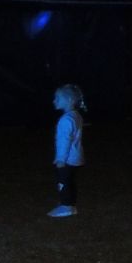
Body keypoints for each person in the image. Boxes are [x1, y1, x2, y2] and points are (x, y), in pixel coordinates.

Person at [48, 84, 86, 217]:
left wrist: (61, 159)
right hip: (75, 157)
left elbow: (65, 141)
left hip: (67, 159)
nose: (54, 101)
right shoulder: (76, 116)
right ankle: (70, 204)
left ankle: (66, 206)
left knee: (63, 182)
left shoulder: (66, 120)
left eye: (58, 98)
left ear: (69, 100)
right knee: (70, 181)